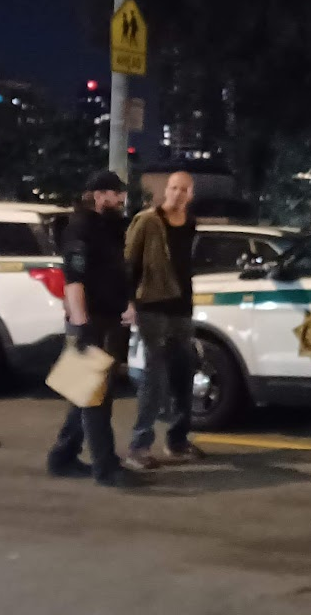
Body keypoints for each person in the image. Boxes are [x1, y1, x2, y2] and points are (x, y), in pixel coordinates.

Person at [47, 170, 144, 488]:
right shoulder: (80, 228)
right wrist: (82, 325)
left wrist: (127, 303)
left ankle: (61, 457)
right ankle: (106, 469)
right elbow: (74, 281)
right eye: (116, 195)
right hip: (90, 321)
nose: (120, 200)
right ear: (100, 195)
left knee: (85, 392)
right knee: (95, 399)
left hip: (108, 318)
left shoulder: (111, 227)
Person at [123, 170, 206, 470]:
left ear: (191, 194)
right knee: (155, 379)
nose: (178, 194)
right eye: (173, 188)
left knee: (184, 375)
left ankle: (177, 441)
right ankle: (139, 447)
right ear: (165, 191)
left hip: (182, 309)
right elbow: (129, 262)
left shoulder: (191, 224)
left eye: (184, 189)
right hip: (152, 308)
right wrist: (130, 302)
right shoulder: (147, 221)